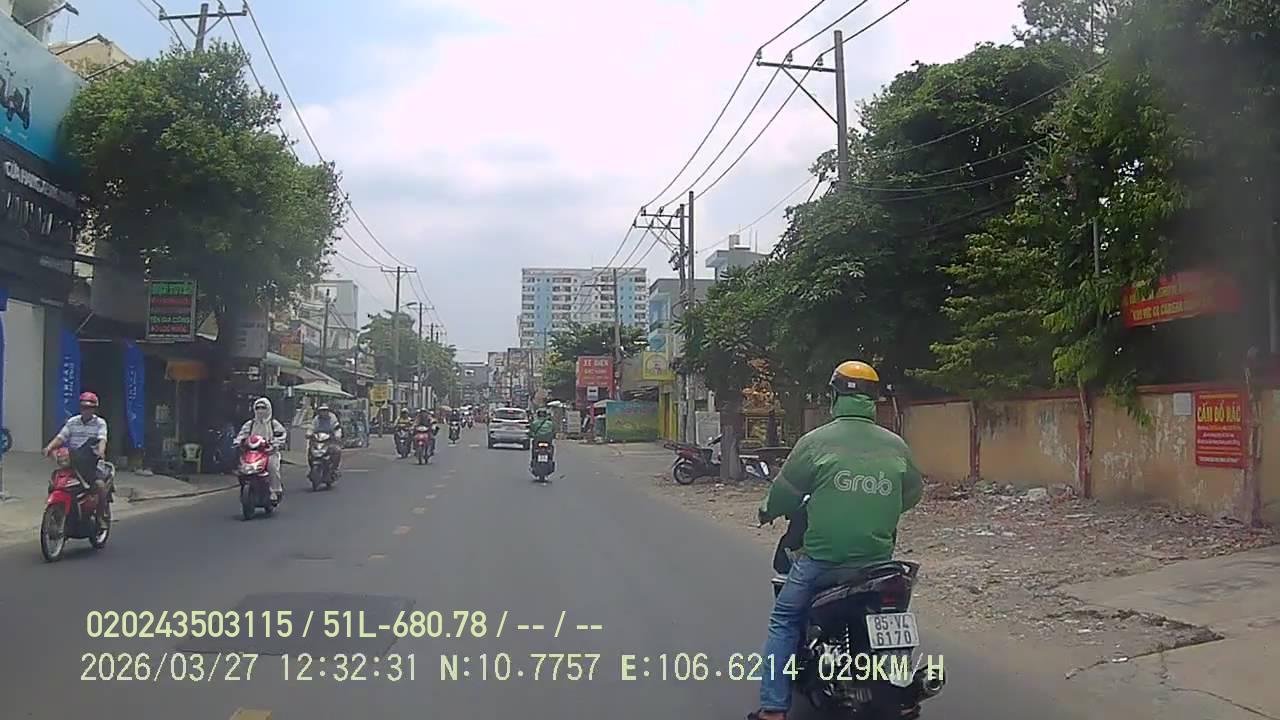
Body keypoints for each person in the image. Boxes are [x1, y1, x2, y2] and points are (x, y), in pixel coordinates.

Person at [747, 361, 923, 720]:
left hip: (822, 560)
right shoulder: (896, 445)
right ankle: (899, 690)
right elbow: (911, 494)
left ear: (834, 395)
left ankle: (773, 709)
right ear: (874, 399)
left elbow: (785, 493)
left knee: (785, 619)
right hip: (878, 562)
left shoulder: (815, 442)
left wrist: (767, 511)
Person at [44, 391, 110, 500]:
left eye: (89, 408)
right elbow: (61, 437)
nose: (86, 410)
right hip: (73, 459)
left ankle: (102, 509)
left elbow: (102, 439)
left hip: (91, 461)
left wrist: (101, 451)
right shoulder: (72, 421)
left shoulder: (100, 423)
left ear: (94, 409)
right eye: (84, 407)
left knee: (99, 485)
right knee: (55, 481)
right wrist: (49, 447)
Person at [236, 397, 288, 500]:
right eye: (258, 408)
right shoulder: (250, 424)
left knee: (272, 467)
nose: (260, 410)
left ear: (268, 409)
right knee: (242, 468)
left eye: (263, 408)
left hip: (269, 453)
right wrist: (239, 442)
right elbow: (242, 435)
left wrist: (275, 443)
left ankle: (274, 491)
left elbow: (281, 435)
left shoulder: (273, 424)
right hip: (252, 453)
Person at [310, 404, 344, 472]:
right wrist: (309, 433)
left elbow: (337, 427)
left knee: (337, 450)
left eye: (325, 410)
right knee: (310, 450)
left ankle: (334, 468)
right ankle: (311, 467)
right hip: (318, 438)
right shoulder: (316, 418)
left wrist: (337, 435)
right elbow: (311, 427)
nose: (323, 412)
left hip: (329, 438)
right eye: (322, 410)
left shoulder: (332, 417)